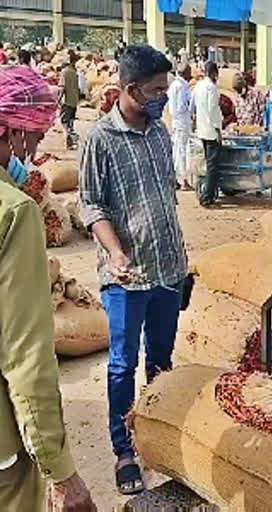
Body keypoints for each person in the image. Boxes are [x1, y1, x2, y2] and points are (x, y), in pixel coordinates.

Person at [79, 45, 187, 495]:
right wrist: (116, 251)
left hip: (168, 271)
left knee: (162, 363)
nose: (163, 97)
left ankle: (158, 436)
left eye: (165, 88)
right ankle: (124, 450)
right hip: (127, 279)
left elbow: (166, 196)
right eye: (156, 90)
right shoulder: (100, 139)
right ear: (129, 90)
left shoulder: (160, 133)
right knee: (123, 365)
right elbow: (90, 203)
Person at [0, 65, 96, 512]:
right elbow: (25, 355)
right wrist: (61, 470)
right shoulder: (15, 213)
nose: (37, 148)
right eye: (34, 136)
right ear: (11, 133)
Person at [193, 61, 223, 207]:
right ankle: (207, 197)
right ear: (214, 73)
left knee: (208, 162)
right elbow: (213, 111)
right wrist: (218, 130)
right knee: (213, 166)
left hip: (202, 129)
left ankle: (208, 193)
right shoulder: (211, 88)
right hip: (211, 131)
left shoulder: (198, 86)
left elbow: (194, 107)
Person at [167, 62, 194, 189]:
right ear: (186, 73)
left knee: (178, 150)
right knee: (182, 151)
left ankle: (176, 179)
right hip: (182, 121)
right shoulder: (181, 87)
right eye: (190, 71)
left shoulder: (174, 85)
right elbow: (181, 106)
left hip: (177, 121)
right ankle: (184, 180)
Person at [59, 52, 80, 150]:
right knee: (70, 122)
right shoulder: (74, 72)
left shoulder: (64, 72)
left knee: (64, 122)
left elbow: (62, 88)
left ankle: (72, 138)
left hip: (66, 101)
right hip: (74, 101)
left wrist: (58, 100)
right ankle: (70, 143)